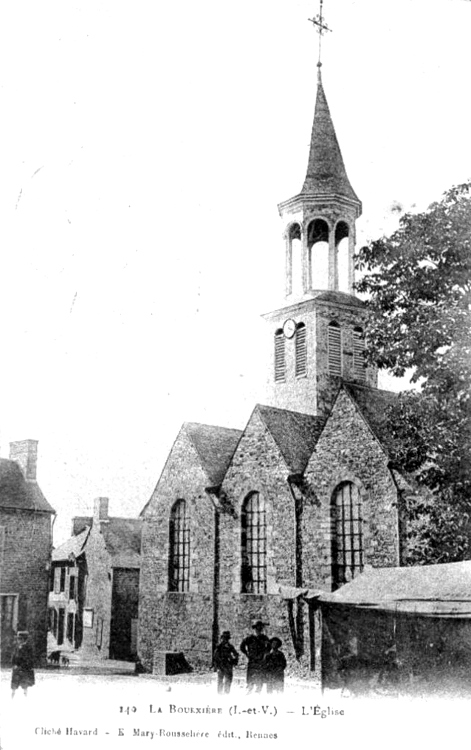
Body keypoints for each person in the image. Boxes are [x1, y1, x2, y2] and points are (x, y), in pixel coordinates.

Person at [240, 620, 270, 693]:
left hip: (261, 660)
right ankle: (249, 689)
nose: (258, 630)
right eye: (257, 628)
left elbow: (269, 647)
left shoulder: (264, 638)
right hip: (252, 660)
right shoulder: (249, 638)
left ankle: (258, 691)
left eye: (260, 628)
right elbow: (242, 646)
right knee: (251, 676)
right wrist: (247, 654)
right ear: (255, 629)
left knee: (260, 677)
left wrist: (265, 654)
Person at [11, 631, 35, 698]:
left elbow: (29, 659)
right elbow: (13, 657)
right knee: (14, 685)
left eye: (19, 639)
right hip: (16, 669)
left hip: (24, 669)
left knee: (25, 685)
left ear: (23, 639)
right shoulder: (17, 647)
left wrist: (24, 666)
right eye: (18, 639)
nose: (18, 640)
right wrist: (14, 664)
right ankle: (12, 697)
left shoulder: (28, 648)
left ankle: (25, 697)